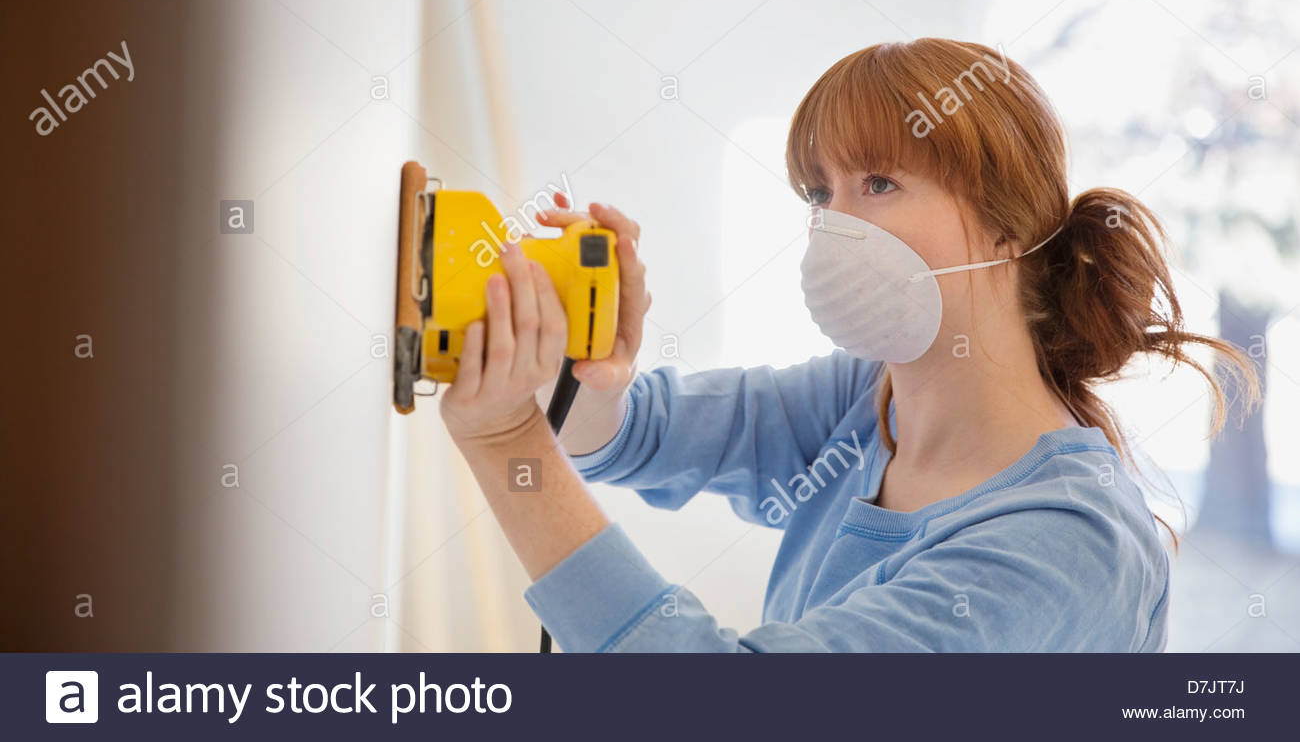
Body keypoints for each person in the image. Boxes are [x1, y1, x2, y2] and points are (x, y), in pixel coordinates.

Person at [438, 38, 1260, 652]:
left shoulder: (1067, 540)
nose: (833, 225)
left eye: (878, 183)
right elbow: (635, 434)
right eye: (819, 192)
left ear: (1010, 228)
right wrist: (591, 372)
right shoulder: (865, 402)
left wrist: (508, 441)